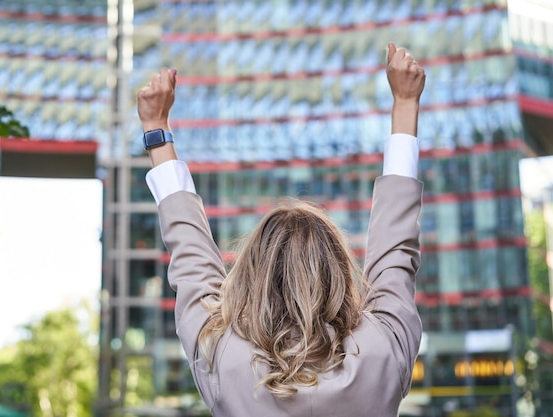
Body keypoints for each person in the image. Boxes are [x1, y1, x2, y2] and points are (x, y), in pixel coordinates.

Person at [137, 42, 425, 417]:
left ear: (253, 278)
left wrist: (156, 129)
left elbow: (191, 259)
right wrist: (405, 104)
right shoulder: (383, 351)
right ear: (336, 273)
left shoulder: (224, 359)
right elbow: (395, 249)